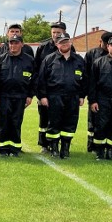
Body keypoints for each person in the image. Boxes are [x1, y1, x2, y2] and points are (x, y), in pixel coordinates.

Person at [36, 32, 87, 159]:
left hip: (73, 97)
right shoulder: (49, 59)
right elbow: (41, 79)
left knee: (70, 123)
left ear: (70, 43)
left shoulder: (79, 60)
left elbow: (85, 80)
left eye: (66, 42)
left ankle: (65, 148)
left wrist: (82, 96)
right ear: (57, 44)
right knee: (54, 123)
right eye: (61, 42)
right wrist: (42, 96)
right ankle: (54, 148)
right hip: (54, 96)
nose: (64, 44)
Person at [0, 34, 34, 156]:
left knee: (16, 122)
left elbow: (34, 80)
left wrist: (30, 95)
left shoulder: (29, 60)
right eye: (11, 43)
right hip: (4, 96)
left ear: (22, 44)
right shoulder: (0, 59)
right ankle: (2, 148)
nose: (13, 45)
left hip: (21, 96)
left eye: (16, 43)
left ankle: (15, 148)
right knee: (3, 122)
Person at [33, 21, 71, 152]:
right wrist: (40, 94)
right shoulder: (43, 47)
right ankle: (44, 145)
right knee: (44, 119)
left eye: (58, 32)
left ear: (64, 32)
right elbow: (37, 71)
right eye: (54, 32)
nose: (55, 35)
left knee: (60, 119)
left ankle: (57, 144)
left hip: (62, 93)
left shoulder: (68, 47)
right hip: (46, 92)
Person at [84, 30, 112, 151]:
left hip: (110, 94)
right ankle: (91, 146)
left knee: (108, 122)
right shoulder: (92, 53)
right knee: (93, 121)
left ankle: (105, 146)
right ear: (100, 41)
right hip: (95, 92)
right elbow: (85, 74)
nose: (107, 46)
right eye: (105, 43)